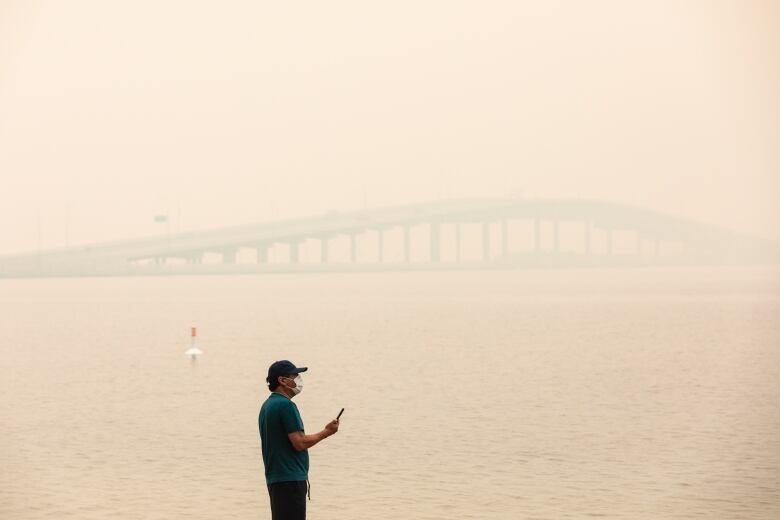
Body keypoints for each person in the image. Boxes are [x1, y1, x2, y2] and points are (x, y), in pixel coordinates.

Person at [258, 360, 340, 520]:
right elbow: (300, 442)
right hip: (290, 479)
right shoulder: (286, 405)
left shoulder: (267, 405)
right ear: (282, 380)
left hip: (276, 479)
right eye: (294, 376)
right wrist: (327, 432)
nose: (298, 380)